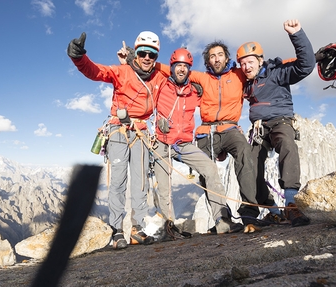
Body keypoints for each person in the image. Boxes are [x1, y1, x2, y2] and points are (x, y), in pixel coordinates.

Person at [67, 31, 167, 249]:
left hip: (140, 131)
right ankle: (116, 230)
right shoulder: (122, 71)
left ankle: (138, 228)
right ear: (137, 53)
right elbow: (95, 71)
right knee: (118, 182)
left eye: (152, 54)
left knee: (140, 183)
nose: (147, 58)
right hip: (119, 131)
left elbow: (178, 72)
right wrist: (78, 57)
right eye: (143, 53)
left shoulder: (159, 76)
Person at [153, 48, 243, 234]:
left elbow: (217, 101)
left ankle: (221, 220)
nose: (181, 70)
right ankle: (168, 228)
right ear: (171, 68)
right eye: (178, 66)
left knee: (210, 168)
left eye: (185, 67)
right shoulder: (160, 85)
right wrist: (130, 60)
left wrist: (231, 123)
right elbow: (147, 74)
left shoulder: (194, 91)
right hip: (162, 143)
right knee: (163, 186)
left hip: (184, 145)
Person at [236, 19, 315, 227]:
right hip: (259, 128)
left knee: (287, 145)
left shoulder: (277, 73)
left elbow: (306, 66)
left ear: (260, 60)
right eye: (242, 63)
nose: (246, 66)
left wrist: (296, 34)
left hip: (280, 121)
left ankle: (291, 203)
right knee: (250, 162)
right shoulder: (247, 84)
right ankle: (270, 207)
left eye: (250, 61)